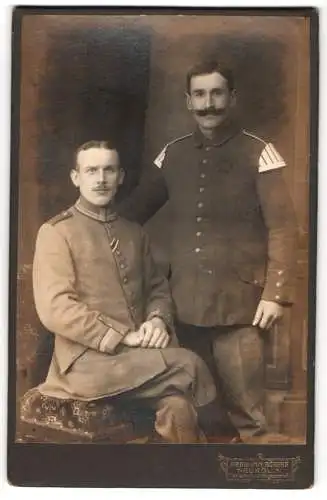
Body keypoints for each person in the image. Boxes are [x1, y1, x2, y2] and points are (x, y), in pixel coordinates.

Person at [118, 61, 298, 443]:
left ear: (232, 98)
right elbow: (132, 214)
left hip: (240, 308)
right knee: (197, 418)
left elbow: (283, 228)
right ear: (188, 101)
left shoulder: (260, 152)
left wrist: (275, 294)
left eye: (216, 93)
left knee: (250, 422)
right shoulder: (174, 154)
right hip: (184, 309)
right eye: (199, 95)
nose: (208, 103)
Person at [32, 139, 219, 444]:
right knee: (190, 364)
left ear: (120, 177)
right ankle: (225, 443)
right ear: (76, 178)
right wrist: (123, 335)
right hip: (86, 366)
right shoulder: (56, 232)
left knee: (179, 408)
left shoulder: (134, 232)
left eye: (109, 170)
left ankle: (184, 480)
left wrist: (157, 320)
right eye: (91, 170)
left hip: (137, 363)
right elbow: (56, 308)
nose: (101, 179)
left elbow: (157, 288)